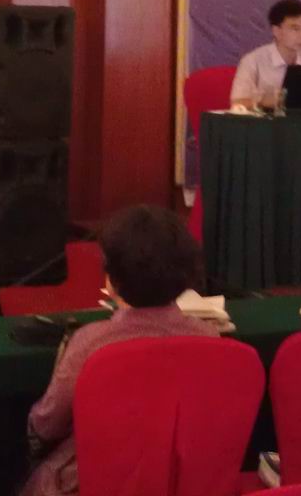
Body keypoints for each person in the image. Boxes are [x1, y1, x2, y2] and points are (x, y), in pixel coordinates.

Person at [21, 205, 213, 496]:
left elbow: (45, 426)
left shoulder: (90, 343)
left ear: (112, 278)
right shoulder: (209, 338)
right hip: (181, 484)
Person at [230, 0, 301, 109]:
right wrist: (264, 101)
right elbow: (237, 103)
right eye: (295, 29)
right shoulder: (253, 61)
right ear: (276, 31)